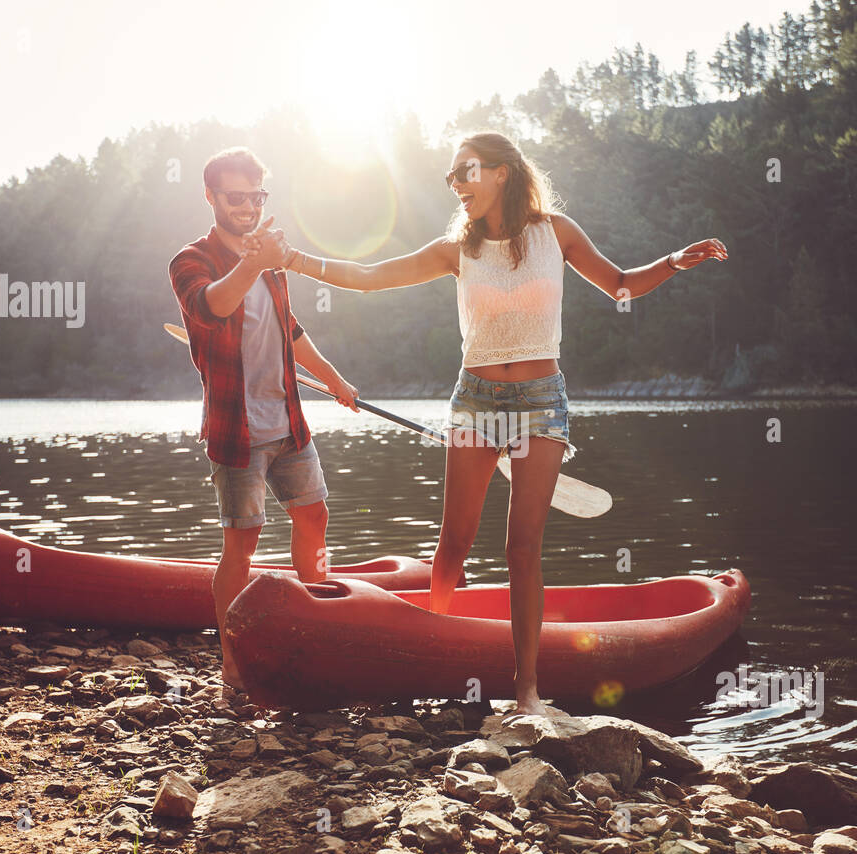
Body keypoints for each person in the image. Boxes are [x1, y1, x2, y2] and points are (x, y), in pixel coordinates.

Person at [268, 131, 727, 715]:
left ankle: (527, 690)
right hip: (476, 400)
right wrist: (294, 260)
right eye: (450, 177)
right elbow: (370, 276)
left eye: (466, 171)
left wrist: (673, 262)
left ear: (504, 172)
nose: (456, 185)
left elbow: (620, 285)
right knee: (454, 544)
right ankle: (431, 653)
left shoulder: (555, 232)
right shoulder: (455, 248)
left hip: (541, 401)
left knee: (522, 548)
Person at [168, 146, 360, 688]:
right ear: (210, 197)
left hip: (288, 420)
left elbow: (290, 328)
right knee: (242, 543)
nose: (248, 207)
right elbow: (212, 307)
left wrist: (334, 379)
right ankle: (233, 660)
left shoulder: (268, 262)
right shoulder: (191, 260)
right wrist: (254, 259)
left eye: (257, 197)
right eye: (236, 197)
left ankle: (317, 628)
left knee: (315, 517)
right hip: (238, 431)